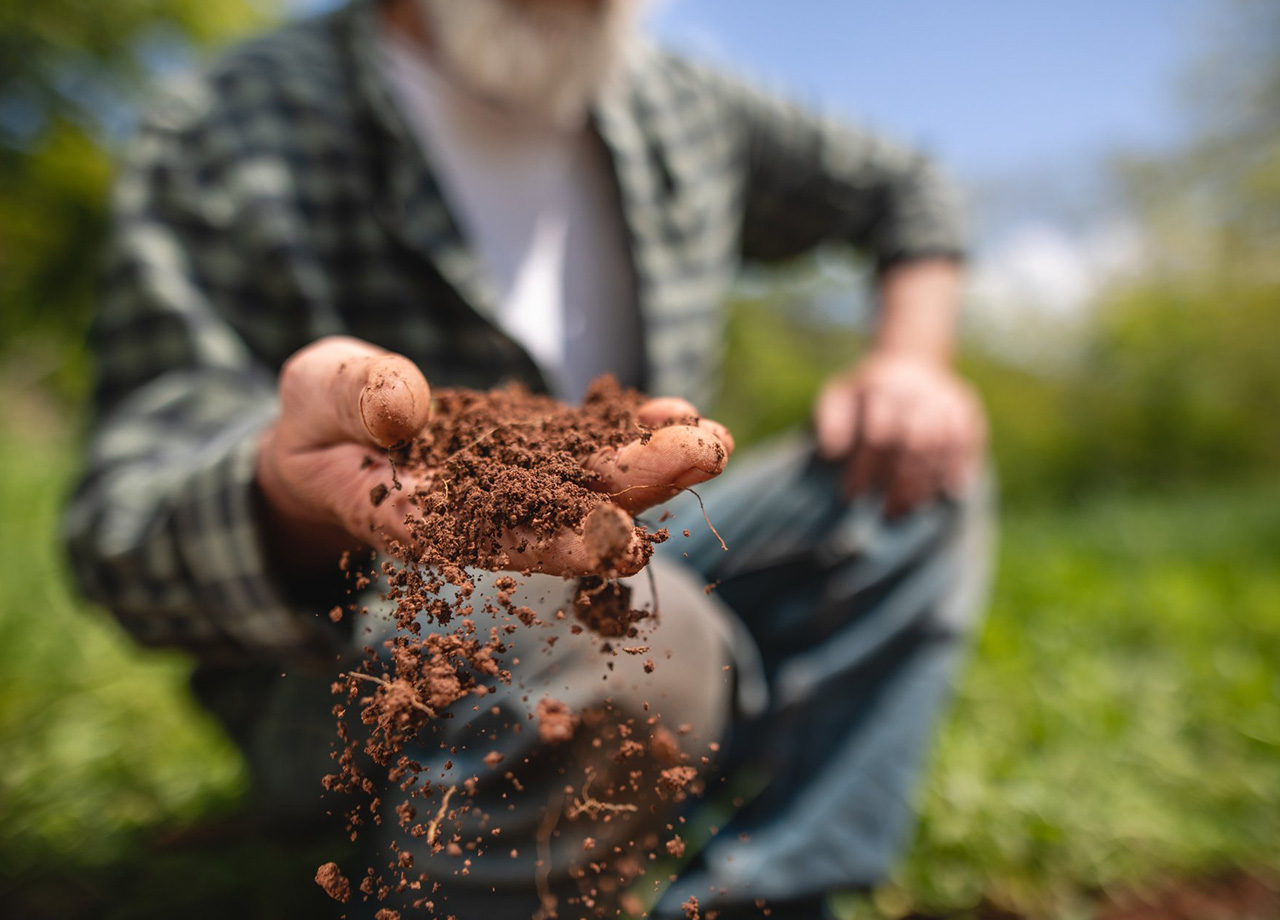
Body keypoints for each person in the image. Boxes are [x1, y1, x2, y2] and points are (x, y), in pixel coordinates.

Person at [63, 0, 993, 917]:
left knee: (908, 477)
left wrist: (910, 364)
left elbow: (906, 185)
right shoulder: (232, 125)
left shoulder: (676, 101)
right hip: (357, 647)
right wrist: (292, 493)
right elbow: (121, 522)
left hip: (650, 552)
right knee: (630, 638)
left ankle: (767, 891)